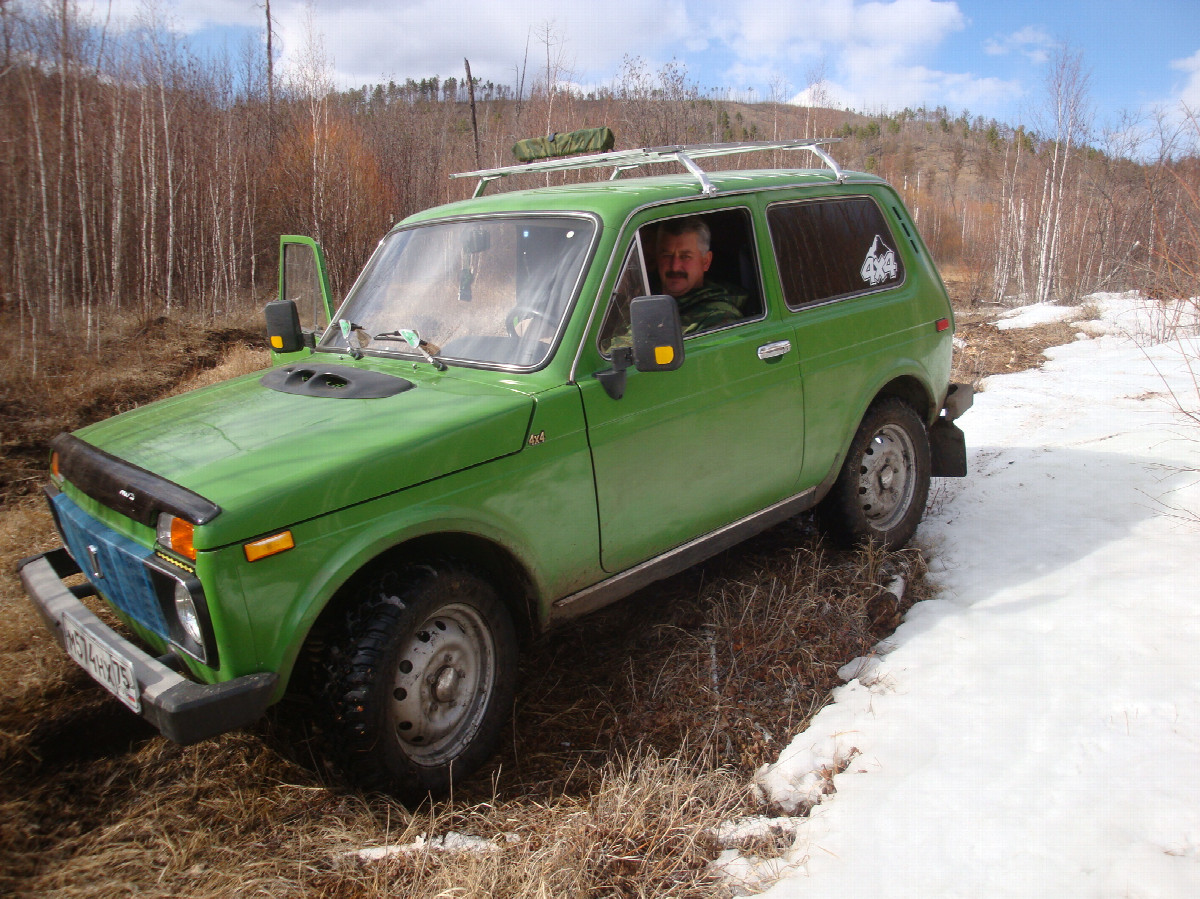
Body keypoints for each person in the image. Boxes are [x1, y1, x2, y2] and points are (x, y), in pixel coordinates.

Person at [654, 217, 748, 335]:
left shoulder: (719, 317)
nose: (675, 267)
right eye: (667, 255)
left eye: (685, 256)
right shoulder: (640, 297)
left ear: (705, 261)